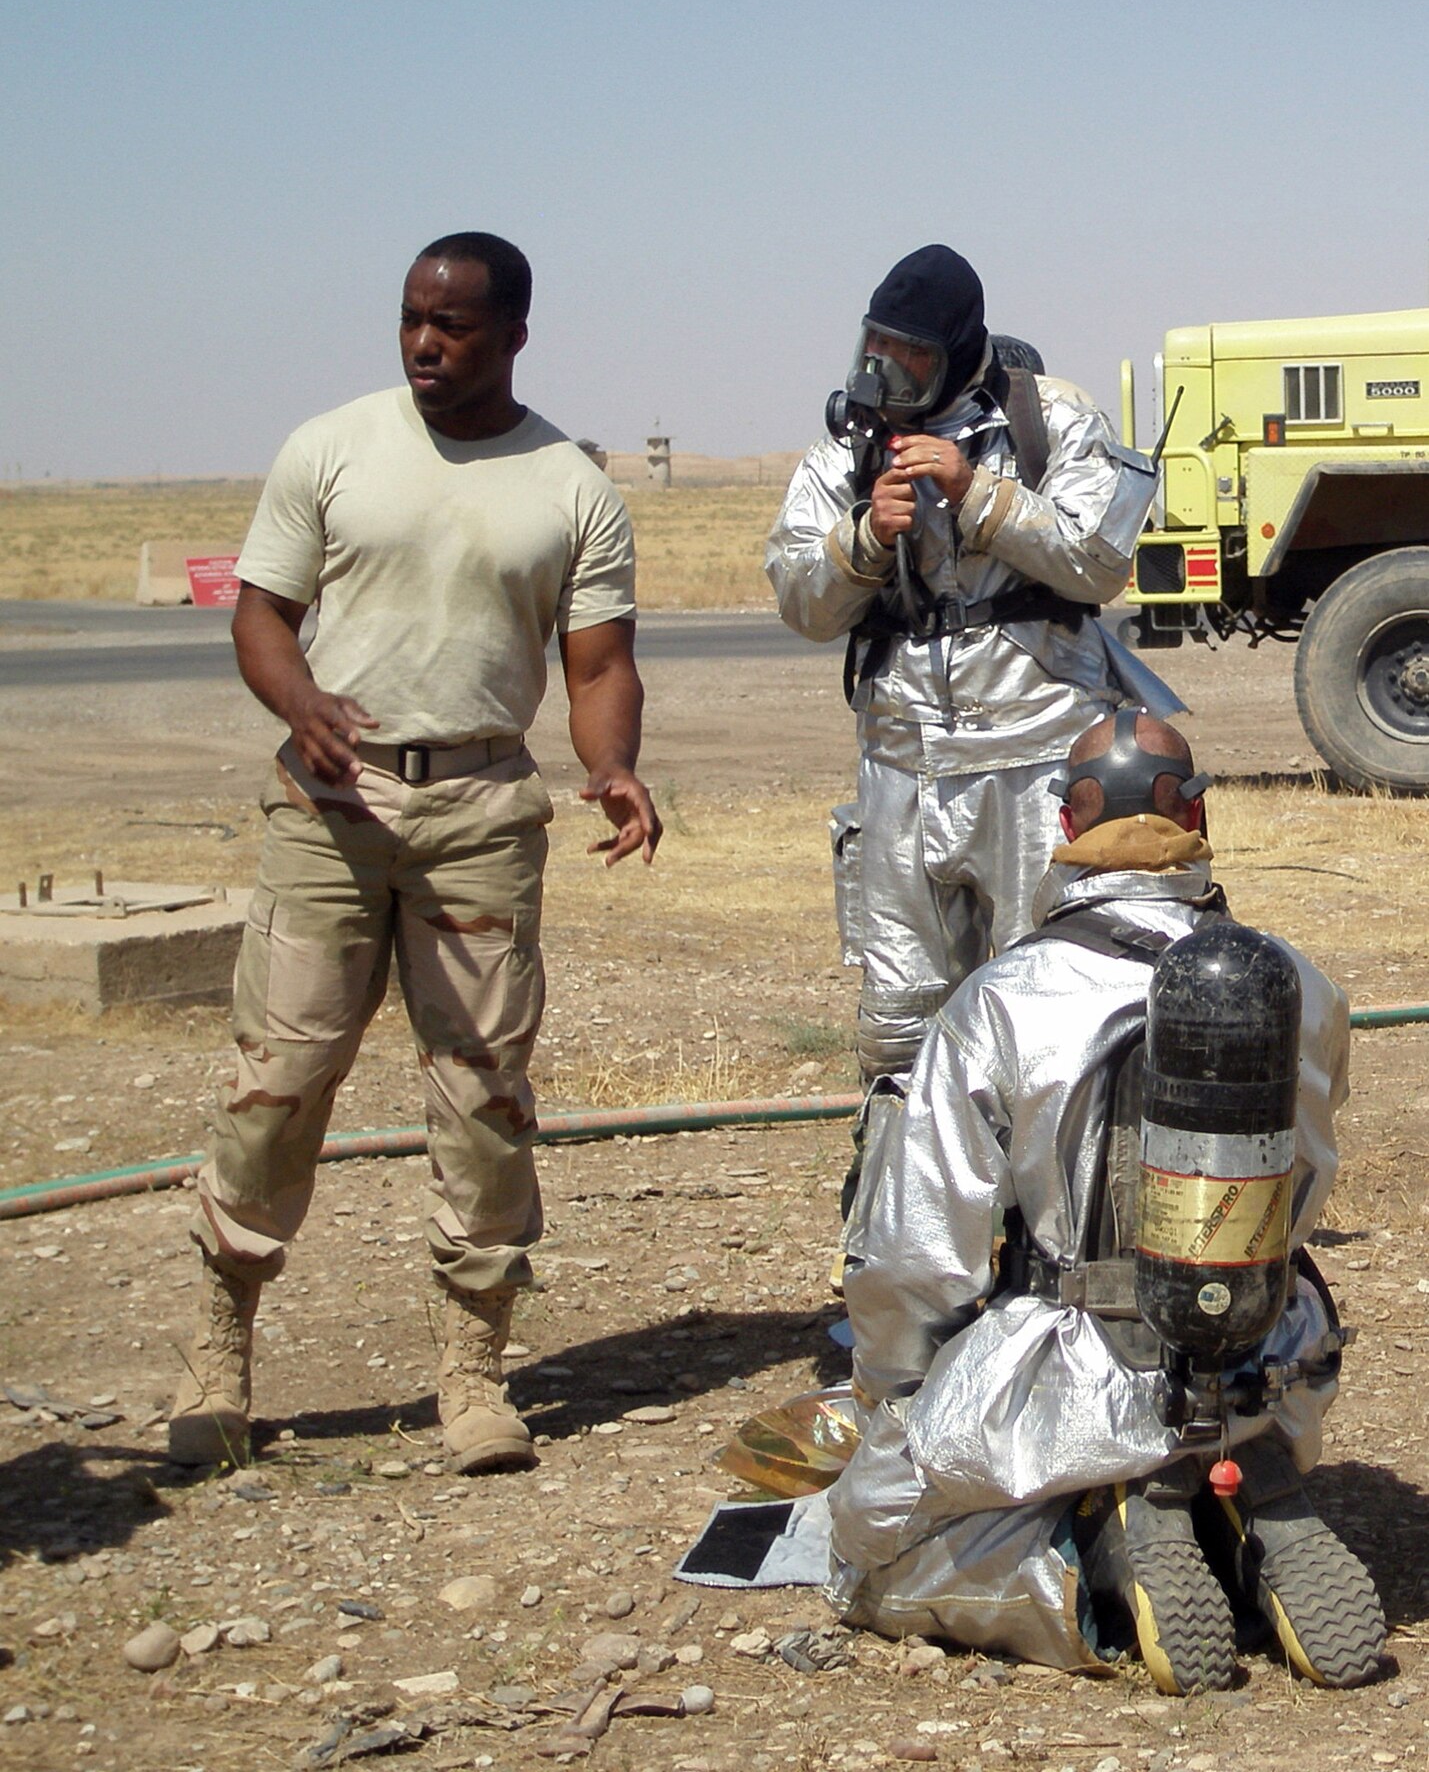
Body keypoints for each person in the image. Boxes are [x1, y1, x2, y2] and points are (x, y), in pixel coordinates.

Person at [168, 232, 661, 1475]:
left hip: (481, 819)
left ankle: (472, 1373)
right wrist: (302, 707)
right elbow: (263, 613)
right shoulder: (331, 447)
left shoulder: (570, 485)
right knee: (278, 1083)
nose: (425, 344)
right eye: (409, 320)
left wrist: (611, 766)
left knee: (483, 1097)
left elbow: (596, 664)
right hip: (331, 813)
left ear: (515, 335)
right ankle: (218, 1346)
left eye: (453, 326)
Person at [825, 712, 1385, 1691]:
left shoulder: (1002, 998)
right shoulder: (1302, 980)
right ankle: (1241, 1479)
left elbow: (919, 1250)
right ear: (1197, 810)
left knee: (865, 1537)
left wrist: (894, 1389)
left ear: (1058, 824)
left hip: (1078, 1361)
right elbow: (1306, 1176)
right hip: (1268, 1359)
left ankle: (1104, 1543)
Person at [765, 247, 1171, 1209]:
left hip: (1034, 758)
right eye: (874, 348)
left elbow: (1098, 562)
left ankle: (1060, 1228)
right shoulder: (849, 449)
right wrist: (864, 539)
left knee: (1052, 1000)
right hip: (902, 766)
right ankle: (905, 1247)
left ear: (955, 352)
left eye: (908, 356)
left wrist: (977, 495)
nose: (884, 373)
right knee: (902, 1021)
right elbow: (799, 599)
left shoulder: (1052, 422)